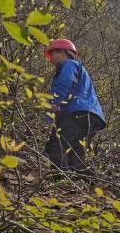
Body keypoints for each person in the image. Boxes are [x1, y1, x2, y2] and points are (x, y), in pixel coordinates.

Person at [44, 38, 106, 178]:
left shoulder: (69, 65)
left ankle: (59, 184)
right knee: (74, 156)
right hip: (93, 118)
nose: (51, 58)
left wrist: (52, 109)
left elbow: (64, 85)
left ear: (64, 53)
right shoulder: (78, 68)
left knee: (56, 146)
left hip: (76, 114)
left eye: (54, 53)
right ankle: (92, 184)